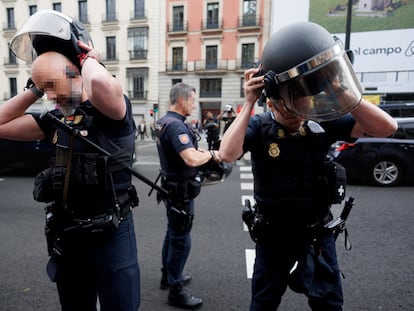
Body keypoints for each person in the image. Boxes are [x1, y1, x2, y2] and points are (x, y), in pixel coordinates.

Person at [218, 22, 397, 311]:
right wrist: (249, 102)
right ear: (274, 101)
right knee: (263, 303)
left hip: (317, 233)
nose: (301, 113)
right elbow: (227, 154)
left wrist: (344, 94)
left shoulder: (323, 121)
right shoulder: (259, 126)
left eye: (308, 102)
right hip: (273, 236)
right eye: (293, 106)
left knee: (329, 303)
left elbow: (387, 127)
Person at [0, 10, 140, 310]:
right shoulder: (52, 120)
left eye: (52, 86)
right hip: (68, 233)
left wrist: (87, 58)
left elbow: (101, 87)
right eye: (44, 90)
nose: (49, 97)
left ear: (77, 72)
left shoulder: (113, 111)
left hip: (111, 231)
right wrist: (36, 87)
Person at [155, 83, 220, 309]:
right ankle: (175, 289)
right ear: (182, 100)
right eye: (193, 100)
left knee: (172, 233)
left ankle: (167, 276)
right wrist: (212, 154)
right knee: (181, 239)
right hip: (180, 191)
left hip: (170, 187)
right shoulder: (176, 126)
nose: (195, 104)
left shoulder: (163, 121)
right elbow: (190, 158)